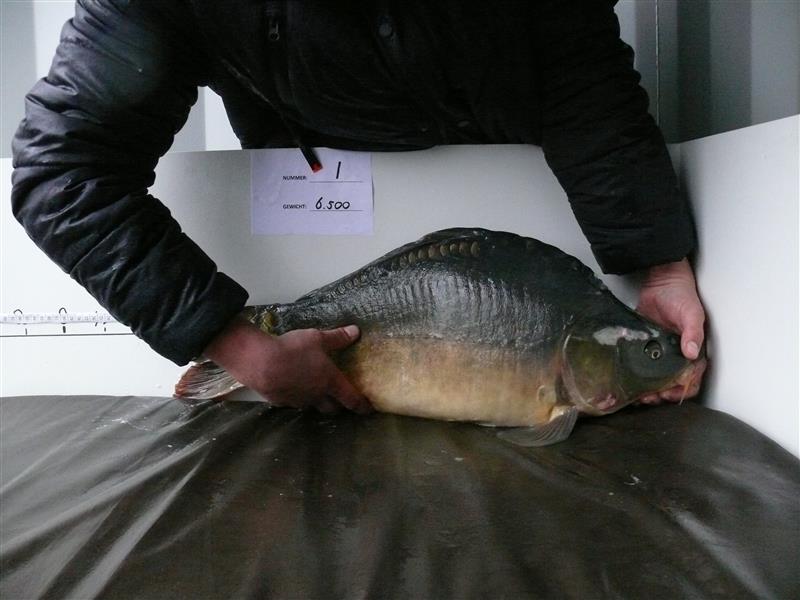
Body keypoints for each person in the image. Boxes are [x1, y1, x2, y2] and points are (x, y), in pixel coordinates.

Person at [11, 0, 705, 414]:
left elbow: (587, 79)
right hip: (317, 227)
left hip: (526, 214)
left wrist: (661, 264)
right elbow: (63, 168)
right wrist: (235, 343)